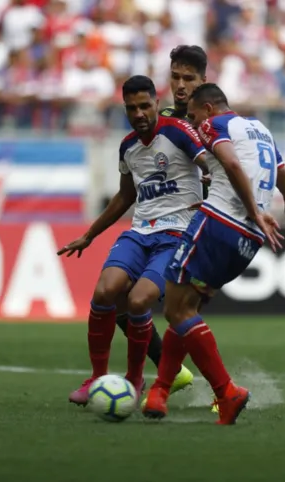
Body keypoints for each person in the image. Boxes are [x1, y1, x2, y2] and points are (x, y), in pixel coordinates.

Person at [142, 83, 285, 425]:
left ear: (207, 109)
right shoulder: (261, 131)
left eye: (193, 116)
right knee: (187, 310)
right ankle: (159, 391)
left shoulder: (215, 123)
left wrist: (254, 210)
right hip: (248, 242)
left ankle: (226, 392)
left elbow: (233, 165)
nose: (193, 123)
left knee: (175, 308)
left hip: (219, 223)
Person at [59, 75, 209, 406]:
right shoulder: (127, 146)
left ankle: (135, 378)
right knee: (104, 292)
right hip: (141, 232)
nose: (139, 113)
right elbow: (125, 195)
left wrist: (213, 189)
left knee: (139, 300)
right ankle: (97, 378)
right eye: (131, 108)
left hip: (176, 235)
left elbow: (209, 164)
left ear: (157, 103)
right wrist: (89, 234)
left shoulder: (178, 132)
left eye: (144, 105)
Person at [110, 44, 210, 395]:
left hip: (200, 231)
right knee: (120, 298)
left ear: (203, 81)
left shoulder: (211, 121)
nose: (181, 85)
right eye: (175, 77)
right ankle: (173, 373)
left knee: (181, 312)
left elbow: (224, 171)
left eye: (189, 78)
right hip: (159, 228)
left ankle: (217, 391)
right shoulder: (161, 116)